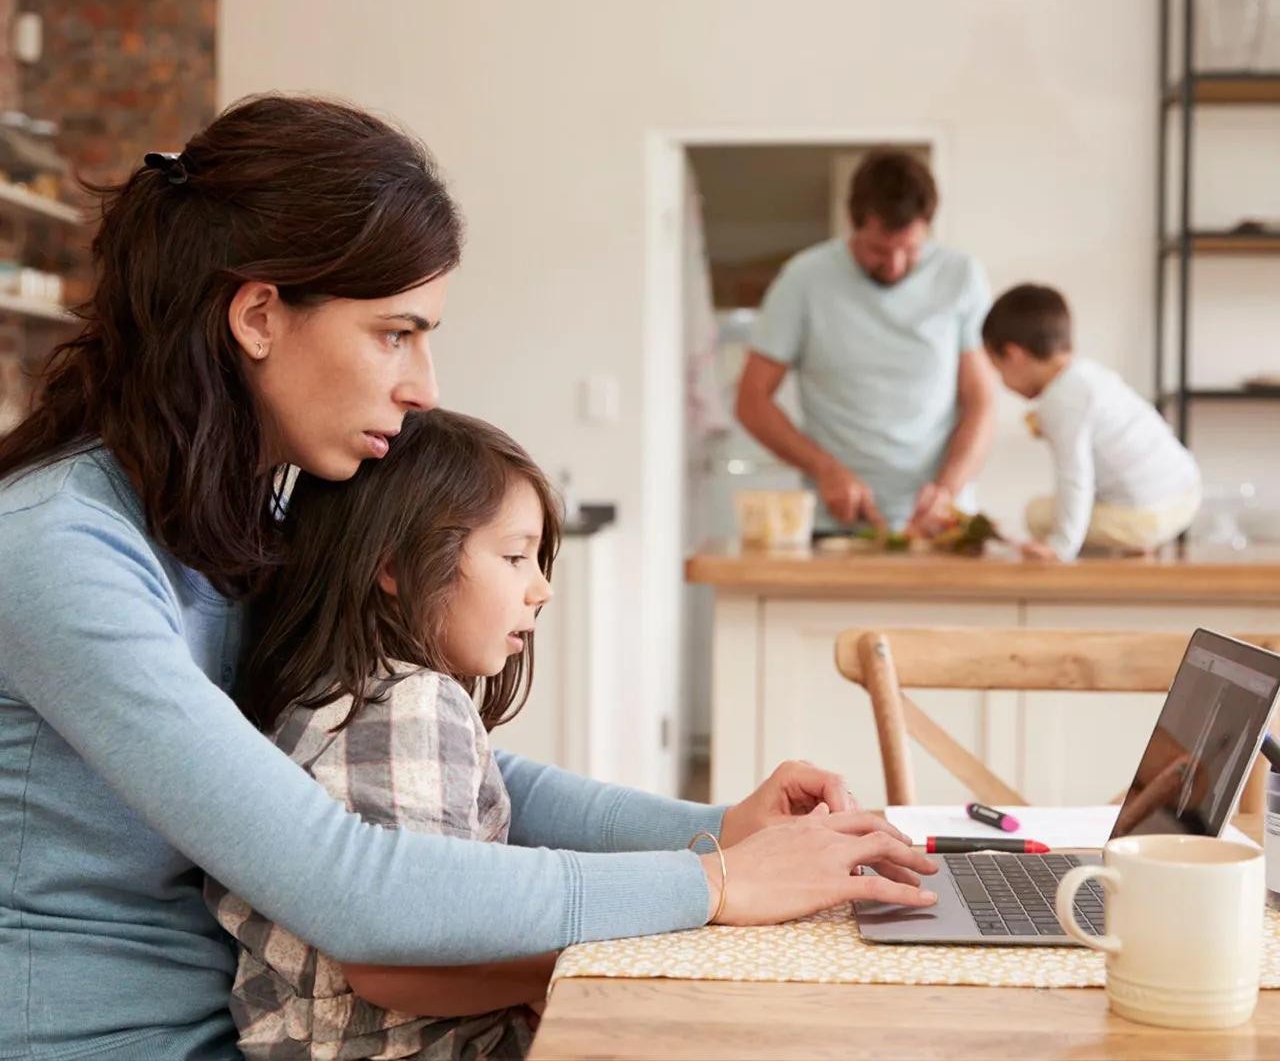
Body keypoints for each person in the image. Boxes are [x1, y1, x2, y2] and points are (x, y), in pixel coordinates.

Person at [0, 95, 937, 1059]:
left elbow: (452, 766)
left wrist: (720, 829)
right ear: (258, 315)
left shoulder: (244, 516)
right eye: (395, 333)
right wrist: (717, 885)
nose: (424, 386)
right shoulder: (64, 552)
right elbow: (352, 885)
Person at [208, 409, 563, 1058]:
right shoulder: (410, 704)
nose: (540, 586)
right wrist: (571, 966)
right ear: (395, 566)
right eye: (515, 555)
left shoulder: (330, 693)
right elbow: (400, 961)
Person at [735, 148, 995, 536]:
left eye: (909, 250)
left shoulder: (961, 277)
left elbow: (981, 402)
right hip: (835, 525)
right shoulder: (804, 279)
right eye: (878, 250)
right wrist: (823, 468)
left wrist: (947, 489)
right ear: (853, 224)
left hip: (939, 525)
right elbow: (751, 401)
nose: (894, 266)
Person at [981, 283, 1201, 562]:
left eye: (999, 370)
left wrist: (1060, 545)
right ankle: (1134, 546)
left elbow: (1074, 477)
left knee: (1037, 514)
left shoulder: (1060, 400)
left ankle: (1120, 547)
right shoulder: (1089, 376)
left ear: (1014, 355)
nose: (1004, 382)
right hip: (1185, 494)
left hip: (1147, 516)